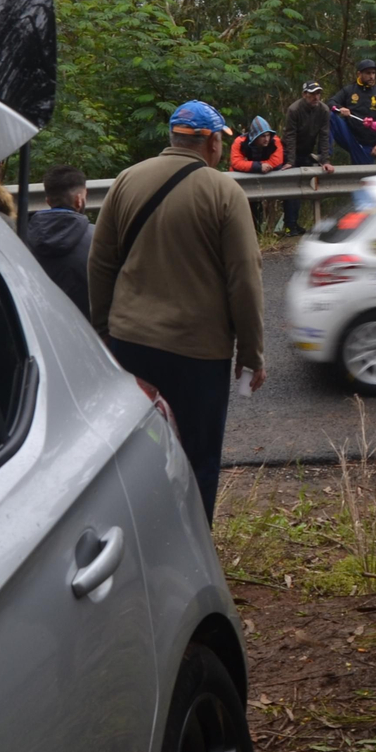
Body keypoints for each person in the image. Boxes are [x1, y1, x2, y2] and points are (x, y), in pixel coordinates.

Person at [88, 100, 268, 518]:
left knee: (136, 454)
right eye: (220, 140)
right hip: (198, 355)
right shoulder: (224, 191)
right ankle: (191, 555)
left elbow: (100, 263)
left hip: (131, 344)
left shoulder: (127, 180)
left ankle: (137, 544)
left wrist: (103, 330)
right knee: (197, 459)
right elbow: (244, 278)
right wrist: (251, 353)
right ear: (209, 142)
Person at [23, 164, 93, 314]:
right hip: (87, 329)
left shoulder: (20, 238)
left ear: (48, 201)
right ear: (79, 200)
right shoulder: (99, 239)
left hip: (38, 327)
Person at [281, 82, 335, 235]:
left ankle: (305, 224)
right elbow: (290, 136)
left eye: (318, 93)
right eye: (312, 94)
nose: (316, 97)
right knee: (291, 190)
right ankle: (290, 225)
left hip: (306, 151)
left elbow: (324, 136)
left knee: (307, 188)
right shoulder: (294, 109)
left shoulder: (323, 110)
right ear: (304, 94)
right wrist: (290, 161)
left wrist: (325, 160)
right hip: (290, 151)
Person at [229, 115, 287, 230]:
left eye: (268, 135)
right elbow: (236, 162)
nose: (266, 139)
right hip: (244, 182)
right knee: (248, 209)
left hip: (267, 181)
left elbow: (277, 161)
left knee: (261, 209)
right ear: (255, 137)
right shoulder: (240, 142)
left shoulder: (275, 141)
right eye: (262, 136)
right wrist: (258, 166)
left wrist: (249, 165)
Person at [329, 60, 376, 164]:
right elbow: (331, 102)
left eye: (373, 73)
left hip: (367, 144)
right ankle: (325, 156)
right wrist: (340, 108)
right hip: (349, 136)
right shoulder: (349, 90)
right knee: (330, 115)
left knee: (362, 175)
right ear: (359, 74)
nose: (371, 76)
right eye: (368, 73)